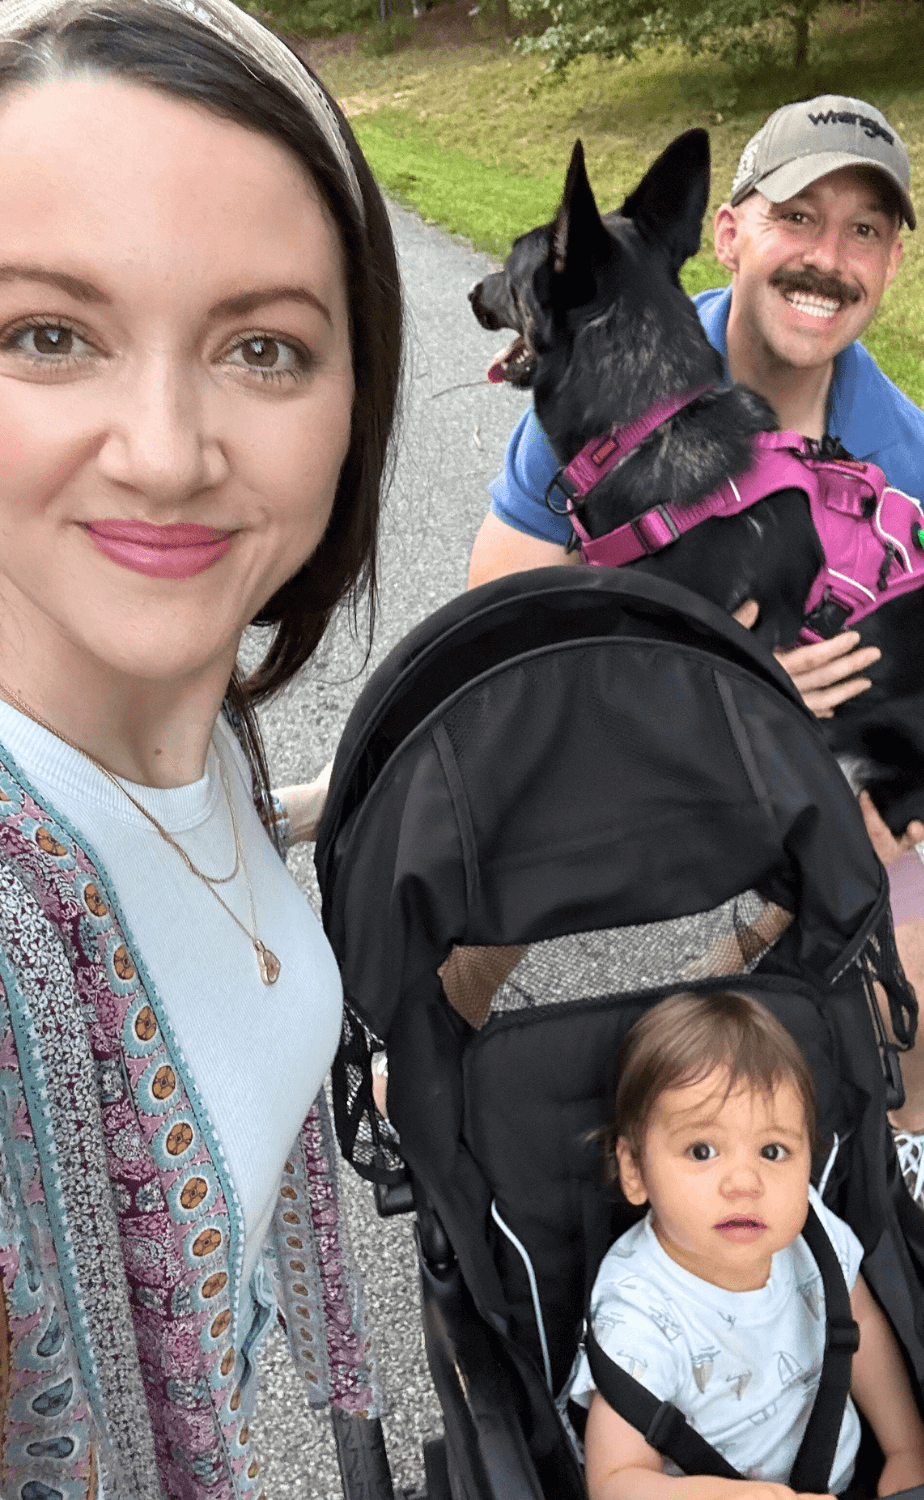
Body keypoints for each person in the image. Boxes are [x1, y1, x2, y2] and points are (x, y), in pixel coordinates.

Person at [468, 95, 924, 1262]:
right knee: (486, 885)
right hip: (645, 715)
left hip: (813, 758)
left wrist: (884, 812)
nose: (827, 256)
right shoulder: (608, 359)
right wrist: (706, 672)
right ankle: (425, 1072)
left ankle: (899, 1130)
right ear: (726, 233)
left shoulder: (896, 443)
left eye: (865, 231)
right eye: (797, 217)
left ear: (891, 263)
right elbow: (495, 600)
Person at [0, 1, 403, 1496]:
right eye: (48, 336)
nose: (166, 454)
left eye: (264, 347)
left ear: (357, 396)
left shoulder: (185, 706)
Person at [569, 990, 924, 1500]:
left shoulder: (811, 1232)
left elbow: (861, 1327)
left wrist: (907, 1449)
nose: (745, 1182)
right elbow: (614, 1481)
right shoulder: (640, 1312)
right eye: (702, 1150)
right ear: (634, 1170)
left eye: (773, 1150)